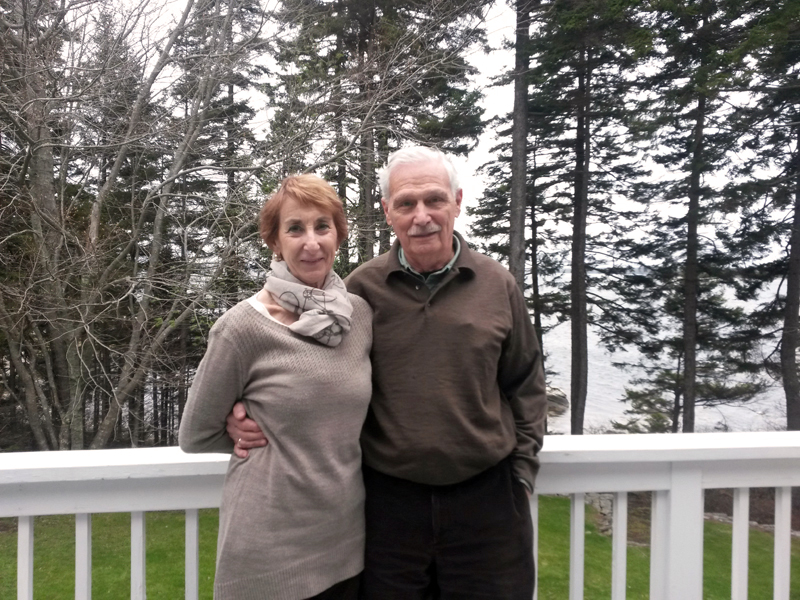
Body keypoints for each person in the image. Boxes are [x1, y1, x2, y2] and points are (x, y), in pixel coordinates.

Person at [228, 147, 548, 600]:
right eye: (406, 203)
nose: (422, 216)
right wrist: (240, 412)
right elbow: (309, 377)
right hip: (388, 508)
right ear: (387, 212)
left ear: (457, 202)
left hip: (488, 504)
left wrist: (521, 476)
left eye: (435, 200)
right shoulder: (361, 292)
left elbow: (526, 384)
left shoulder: (497, 284)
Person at [179, 174, 373, 600]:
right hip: (268, 548)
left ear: (338, 234)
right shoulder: (241, 328)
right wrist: (237, 430)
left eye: (322, 226)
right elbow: (195, 434)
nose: (311, 242)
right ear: (274, 241)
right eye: (295, 228)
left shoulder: (358, 316)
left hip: (345, 540)